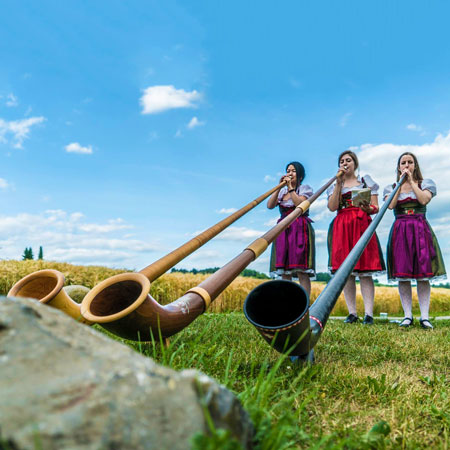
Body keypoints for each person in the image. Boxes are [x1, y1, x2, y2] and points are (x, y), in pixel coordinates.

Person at [384, 152, 446, 329]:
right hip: (400, 230)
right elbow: (390, 205)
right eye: (403, 162)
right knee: (402, 275)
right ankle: (407, 316)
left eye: (410, 162)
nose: (406, 165)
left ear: (415, 165)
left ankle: (424, 317)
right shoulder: (392, 187)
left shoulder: (425, 184)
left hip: (419, 229)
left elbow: (424, 200)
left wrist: (411, 181)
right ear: (398, 167)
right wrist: (400, 184)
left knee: (423, 274)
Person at [327, 150, 385, 324]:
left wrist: (368, 209)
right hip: (342, 225)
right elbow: (332, 207)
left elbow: (376, 207)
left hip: (361, 224)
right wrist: (338, 184)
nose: (345, 163)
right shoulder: (335, 184)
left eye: (349, 160)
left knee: (365, 271)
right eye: (342, 161)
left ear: (355, 163)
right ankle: (352, 313)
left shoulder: (365, 182)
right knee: (346, 273)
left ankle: (368, 314)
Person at [267, 161, 315, 296]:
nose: (290, 173)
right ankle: (287, 303)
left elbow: (300, 204)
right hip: (283, 229)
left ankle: (304, 304)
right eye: (288, 170)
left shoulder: (304, 188)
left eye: (293, 171)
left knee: (301, 269)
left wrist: (290, 188)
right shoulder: (282, 192)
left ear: (300, 175)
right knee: (284, 269)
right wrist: (278, 187)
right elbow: (270, 205)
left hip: (299, 228)